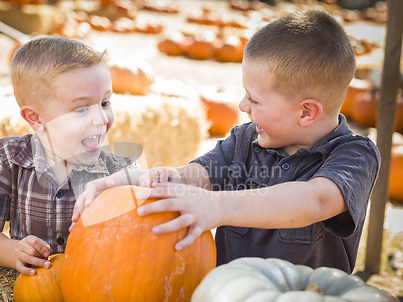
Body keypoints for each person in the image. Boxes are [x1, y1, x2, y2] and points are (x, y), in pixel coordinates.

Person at [72, 10, 380, 274]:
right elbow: (199, 176)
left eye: (254, 99)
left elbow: (316, 200)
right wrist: (158, 178)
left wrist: (217, 206)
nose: (242, 106)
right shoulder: (245, 141)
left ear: (306, 112)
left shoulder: (354, 155)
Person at [0, 36, 137, 275]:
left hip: (95, 289)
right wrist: (13, 251)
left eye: (105, 103)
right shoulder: (8, 158)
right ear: (35, 118)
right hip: (33, 289)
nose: (101, 119)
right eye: (82, 109)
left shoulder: (121, 173)